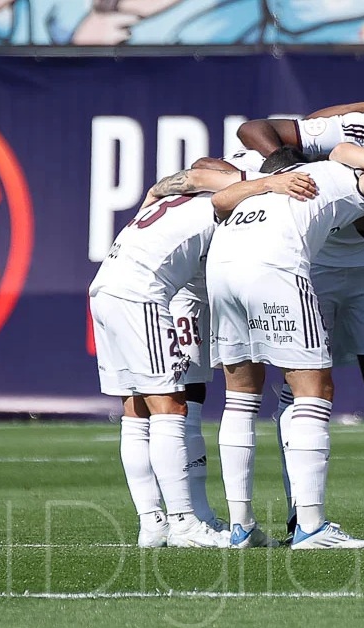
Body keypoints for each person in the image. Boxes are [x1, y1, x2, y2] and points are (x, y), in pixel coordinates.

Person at [205, 128, 364, 549]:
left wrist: (266, 183)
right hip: (274, 267)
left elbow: (217, 200)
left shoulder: (269, 185)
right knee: (314, 389)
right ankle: (310, 526)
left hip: (223, 268)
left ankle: (241, 526)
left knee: (240, 395)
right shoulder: (347, 179)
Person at [88, 167, 247, 549]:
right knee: (171, 407)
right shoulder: (233, 196)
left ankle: (152, 522)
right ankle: (183, 521)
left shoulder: (175, 200)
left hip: (104, 288)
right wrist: (271, 183)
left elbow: (171, 185)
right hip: (139, 294)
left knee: (136, 409)